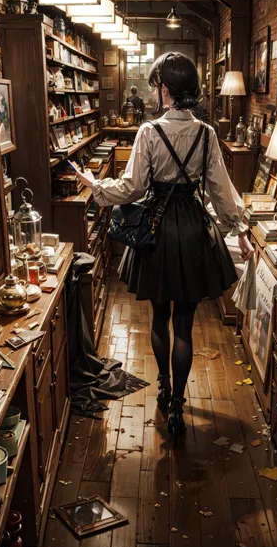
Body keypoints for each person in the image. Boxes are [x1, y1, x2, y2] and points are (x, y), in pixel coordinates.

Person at [72, 52, 254, 442]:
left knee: (159, 317)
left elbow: (133, 188)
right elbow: (221, 191)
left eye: (156, 86)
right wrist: (239, 227)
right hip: (191, 230)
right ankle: (178, 406)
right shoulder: (206, 133)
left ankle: (164, 388)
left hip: (156, 231)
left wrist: (95, 187)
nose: (155, 92)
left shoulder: (149, 132)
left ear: (165, 89)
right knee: (185, 326)